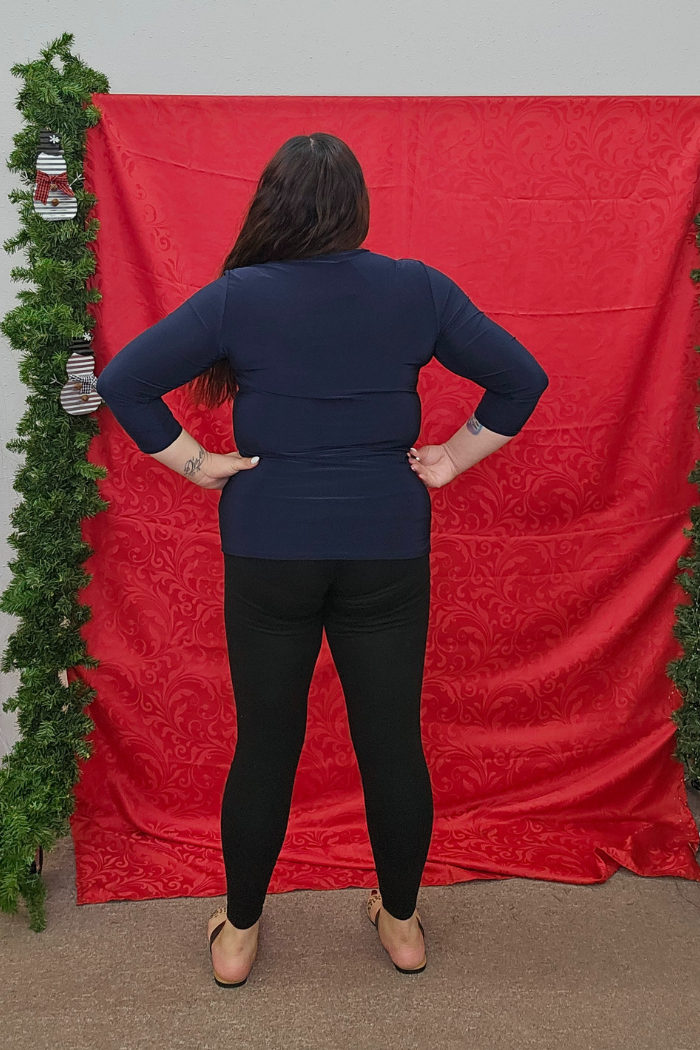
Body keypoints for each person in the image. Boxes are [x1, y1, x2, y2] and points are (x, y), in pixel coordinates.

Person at [95, 131, 549, 988]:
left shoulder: (240, 297)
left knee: (266, 743)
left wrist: (199, 465)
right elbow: (521, 377)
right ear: (357, 209)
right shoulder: (416, 288)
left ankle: (236, 935)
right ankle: (403, 926)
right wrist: (452, 456)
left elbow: (124, 380)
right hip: (385, 545)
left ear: (273, 204)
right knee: (392, 741)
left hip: (269, 548)